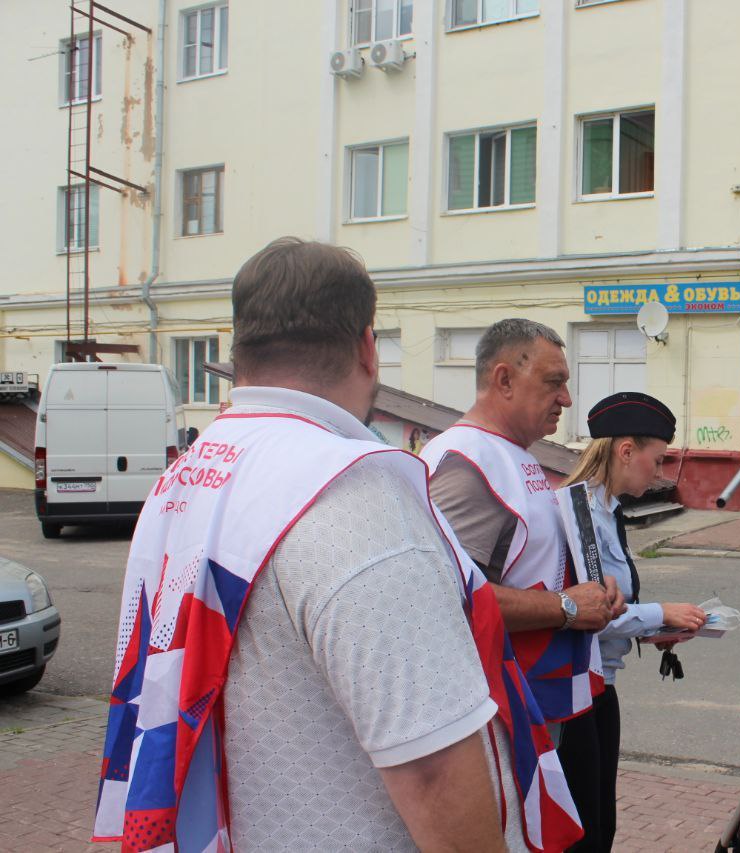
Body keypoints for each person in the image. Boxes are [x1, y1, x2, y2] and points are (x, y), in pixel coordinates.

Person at [93, 239, 580, 853]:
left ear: (240, 348)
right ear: (367, 349)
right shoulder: (356, 494)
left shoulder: (191, 471)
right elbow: (433, 767)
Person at [423, 318, 625, 849]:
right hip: (506, 712)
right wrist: (566, 607)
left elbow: (528, 564)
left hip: (543, 702)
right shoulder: (470, 463)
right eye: (553, 381)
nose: (566, 397)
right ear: (504, 379)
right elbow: (448, 599)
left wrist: (591, 589)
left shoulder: (512, 455)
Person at [556, 392, 707, 852]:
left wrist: (656, 628)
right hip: (578, 690)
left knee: (602, 823)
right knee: (586, 831)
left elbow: (614, 601)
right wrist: (661, 613)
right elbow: (594, 612)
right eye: (656, 460)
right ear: (625, 451)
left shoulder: (608, 511)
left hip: (605, 688)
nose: (660, 474)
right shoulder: (580, 511)